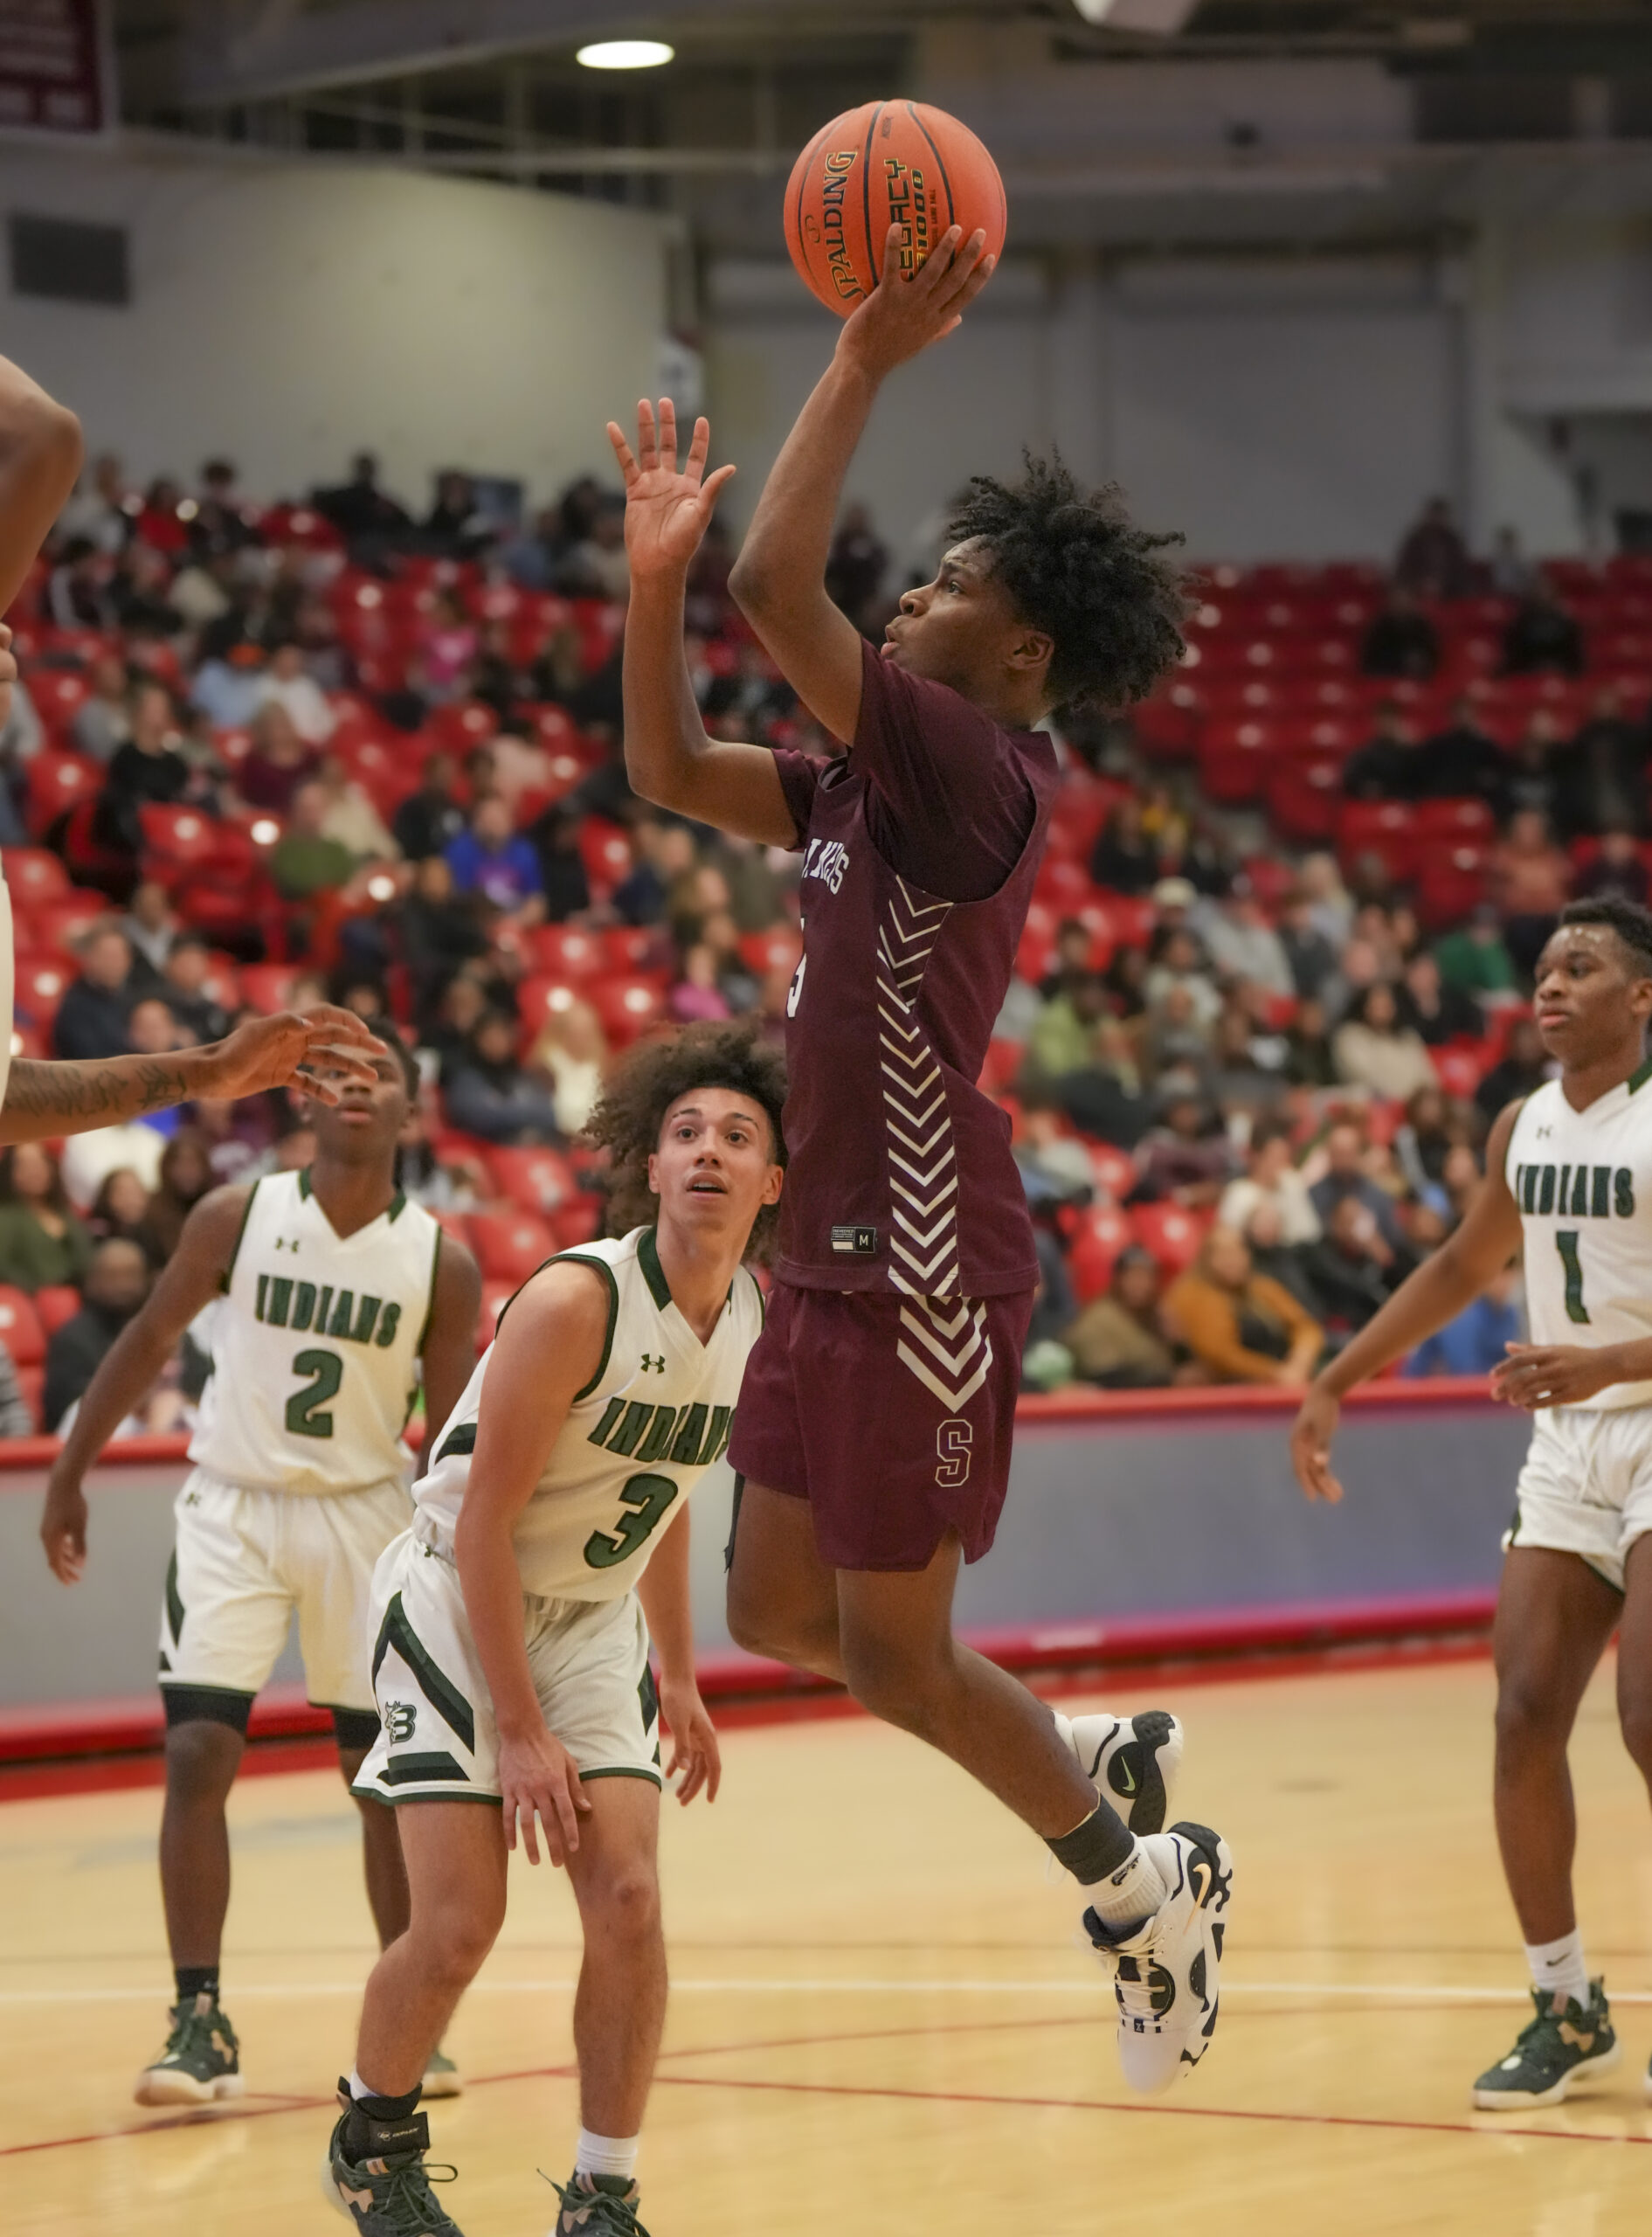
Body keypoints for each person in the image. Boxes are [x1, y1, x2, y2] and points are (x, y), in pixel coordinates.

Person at [608, 227, 1231, 2107]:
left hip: (929, 1265)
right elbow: (662, 762)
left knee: (892, 1643)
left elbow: (784, 575)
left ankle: (1147, 1899)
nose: (913, 593)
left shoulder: (974, 764)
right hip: (827, 1255)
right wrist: (653, 586)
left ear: (1017, 650)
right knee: (782, 1618)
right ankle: (1088, 1748)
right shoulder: (865, 780)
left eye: (951, 578)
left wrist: (862, 356)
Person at [326, 1026, 778, 2234]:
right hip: (457, 1598)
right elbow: (481, 1526)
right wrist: (518, 1733)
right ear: (648, 1159)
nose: (707, 1153)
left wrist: (678, 1675)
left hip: (591, 1619)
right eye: (684, 1132)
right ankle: (372, 2136)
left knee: (628, 1900)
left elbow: (666, 1496)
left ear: (772, 1181)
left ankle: (602, 2192)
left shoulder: (747, 1317)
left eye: (737, 1136)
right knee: (462, 1923)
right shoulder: (579, 1298)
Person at [40, 1023, 481, 2111]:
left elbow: (459, 1429)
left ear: (407, 1111)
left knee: (380, 1779)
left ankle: (409, 2013)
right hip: (233, 1505)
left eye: (375, 1074)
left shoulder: (440, 1258)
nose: (351, 1088)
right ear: (303, 1104)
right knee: (196, 1748)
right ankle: (199, 2018)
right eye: (330, 1074)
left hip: (364, 1517)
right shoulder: (238, 1214)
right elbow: (147, 1336)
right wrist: (70, 1466)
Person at [1289, 897, 1652, 2109]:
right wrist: (1335, 1378)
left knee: (1647, 1719)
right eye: (1545, 965)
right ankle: (1564, 2005)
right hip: (1565, 1440)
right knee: (1518, 1715)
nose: (1550, 983)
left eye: (1582, 966)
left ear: (1638, 997)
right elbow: (1458, 1265)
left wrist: (1606, 1363)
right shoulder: (1520, 1125)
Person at [1163, 1224, 1324, 1386]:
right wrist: (1275, 1373)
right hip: (1231, 1388)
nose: (1232, 1260)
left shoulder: (1262, 1288)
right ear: (1206, 1258)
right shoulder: (1192, 1295)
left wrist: (1300, 1361)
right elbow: (1220, 1354)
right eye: (1223, 1253)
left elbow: (1305, 1326)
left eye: (1238, 1251)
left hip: (1288, 1377)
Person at [40, 1236, 152, 1433]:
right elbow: (66, 1410)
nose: (123, 1285)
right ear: (92, 1280)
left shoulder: (163, 1330)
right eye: (113, 1276)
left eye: (131, 1274)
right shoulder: (72, 1339)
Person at [1063, 1246, 1178, 1388]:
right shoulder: (1097, 1321)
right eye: (1133, 1276)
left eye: (1147, 1277)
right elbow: (1108, 1379)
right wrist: (1170, 1380)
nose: (1140, 1284)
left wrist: (1177, 1343)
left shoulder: (1156, 1316)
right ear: (1117, 1279)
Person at [0, 1140, 93, 1292]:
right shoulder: (6, 1217)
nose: (34, 1171)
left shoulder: (66, 1212)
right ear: (10, 1171)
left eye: (40, 1163)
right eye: (24, 1165)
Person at [1217, 1115, 1320, 1244]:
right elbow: (1227, 1242)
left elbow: (1309, 1233)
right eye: (1273, 1157)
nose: (1279, 1164)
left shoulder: (1292, 1183)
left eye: (1283, 1157)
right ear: (1254, 1156)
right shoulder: (1238, 1194)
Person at [1331, 983, 1438, 1101]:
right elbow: (1365, 1077)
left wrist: (1426, 1096)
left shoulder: (1407, 1036)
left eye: (1386, 1006)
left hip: (1417, 1104)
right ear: (1364, 1007)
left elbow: (1427, 1075)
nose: (1381, 1011)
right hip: (1376, 1104)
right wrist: (1403, 1096)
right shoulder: (1350, 1036)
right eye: (1376, 1006)